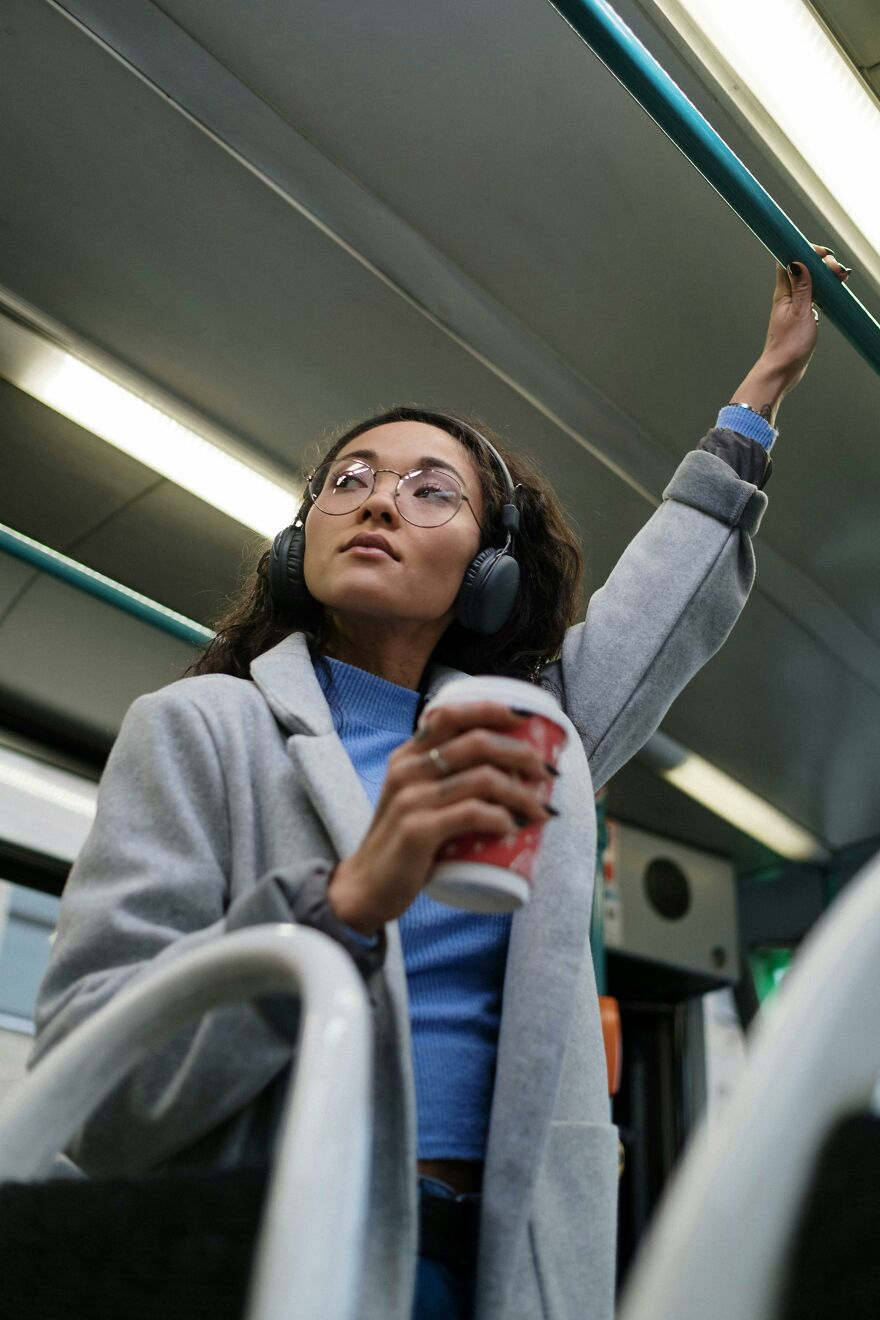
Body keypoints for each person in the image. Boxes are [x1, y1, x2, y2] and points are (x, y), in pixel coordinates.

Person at [29, 251, 848, 1320]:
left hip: (512, 1269)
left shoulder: (521, 741)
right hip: (287, 1251)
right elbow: (97, 1084)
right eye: (349, 482)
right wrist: (340, 906)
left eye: (429, 491)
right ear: (298, 542)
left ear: (486, 565)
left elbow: (664, 601)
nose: (375, 503)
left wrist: (766, 386)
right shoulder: (199, 732)